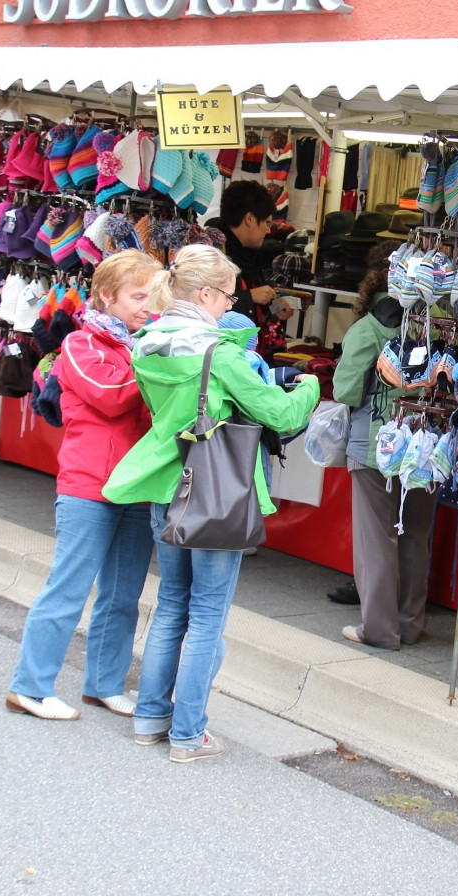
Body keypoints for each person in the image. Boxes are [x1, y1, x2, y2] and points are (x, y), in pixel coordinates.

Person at [103, 244, 320, 762]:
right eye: (226, 294)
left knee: (171, 604)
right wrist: (310, 386)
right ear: (204, 293)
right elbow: (279, 414)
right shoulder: (218, 351)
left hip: (168, 487)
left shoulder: (148, 340)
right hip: (218, 493)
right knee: (206, 615)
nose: (229, 305)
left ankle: (151, 718)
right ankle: (188, 733)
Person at [5, 249, 164, 721]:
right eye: (137, 296)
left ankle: (104, 684)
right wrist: (158, 363)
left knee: (123, 595)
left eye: (152, 296)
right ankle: (29, 687)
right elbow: (112, 399)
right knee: (68, 589)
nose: (146, 306)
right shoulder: (79, 345)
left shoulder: (141, 345)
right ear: (106, 297)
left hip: (136, 484)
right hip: (88, 485)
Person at [332, 243, 434, 649]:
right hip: (426, 448)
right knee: (415, 538)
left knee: (378, 540)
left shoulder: (367, 330)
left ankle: (378, 629)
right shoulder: (434, 324)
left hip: (374, 445)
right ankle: (410, 624)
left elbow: (345, 391)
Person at [211, 180, 288, 359]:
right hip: (225, 357)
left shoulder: (249, 253)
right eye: (267, 223)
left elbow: (258, 291)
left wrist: (276, 306)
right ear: (250, 219)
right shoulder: (214, 253)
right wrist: (249, 296)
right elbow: (204, 304)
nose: (268, 231)